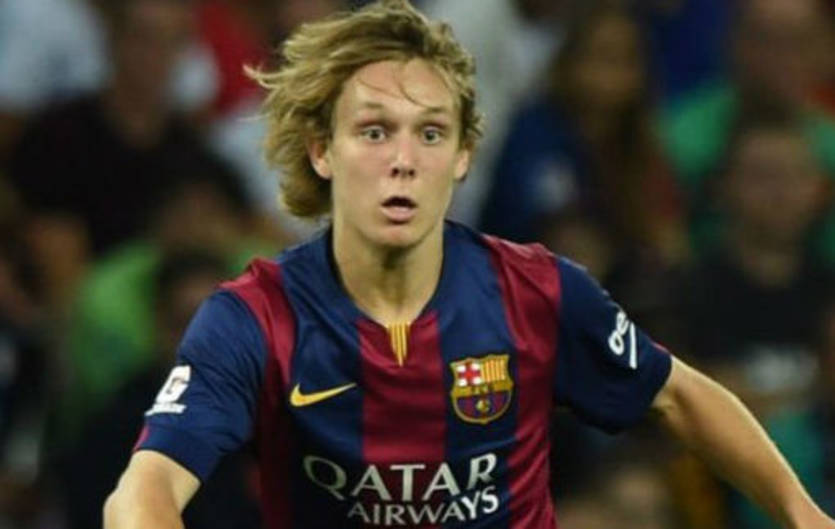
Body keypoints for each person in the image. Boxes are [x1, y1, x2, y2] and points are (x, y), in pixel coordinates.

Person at [103, 1, 835, 528]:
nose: (403, 160)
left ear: (461, 156)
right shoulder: (255, 317)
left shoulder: (537, 291)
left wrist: (807, 517)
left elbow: (679, 396)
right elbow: (144, 488)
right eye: (373, 131)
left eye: (430, 133)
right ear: (321, 151)